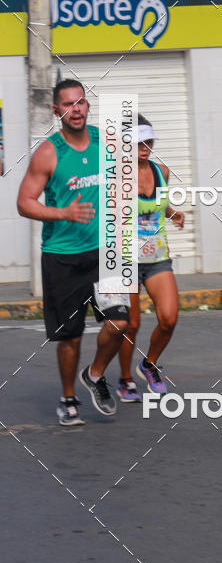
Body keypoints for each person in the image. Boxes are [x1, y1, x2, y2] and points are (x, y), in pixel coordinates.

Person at [16, 79, 129, 425]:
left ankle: (94, 375)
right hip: (62, 256)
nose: (75, 110)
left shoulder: (105, 142)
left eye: (80, 102)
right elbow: (24, 202)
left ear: (87, 106)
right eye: (68, 104)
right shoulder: (48, 153)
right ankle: (68, 398)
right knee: (71, 336)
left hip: (104, 252)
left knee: (120, 322)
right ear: (57, 110)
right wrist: (63, 213)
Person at [117, 115, 183, 400]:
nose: (145, 147)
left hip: (157, 257)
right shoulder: (116, 176)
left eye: (148, 141)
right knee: (131, 324)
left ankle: (149, 364)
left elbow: (159, 204)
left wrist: (173, 213)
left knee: (169, 319)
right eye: (138, 142)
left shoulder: (162, 172)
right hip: (126, 259)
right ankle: (125, 380)